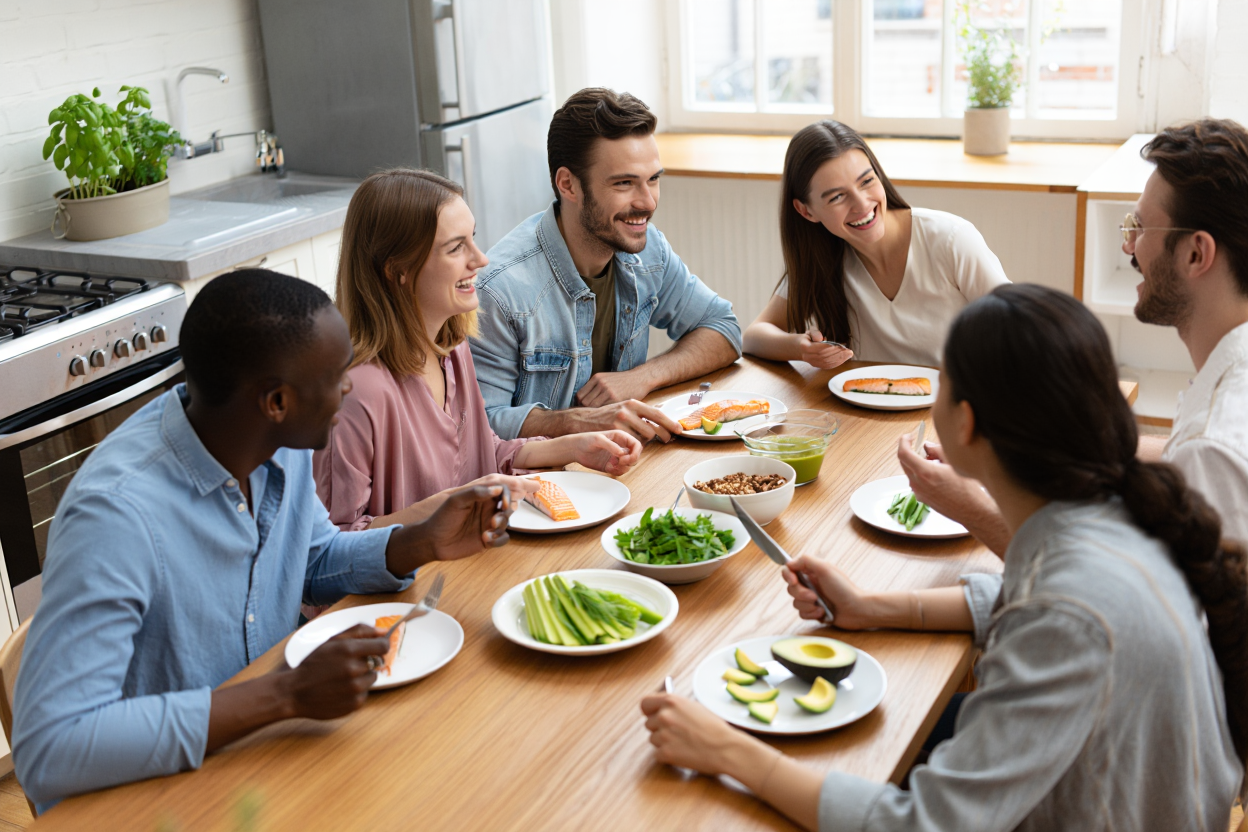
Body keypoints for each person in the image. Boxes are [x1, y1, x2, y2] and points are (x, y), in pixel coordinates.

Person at [642, 284, 1246, 831]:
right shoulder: (1105, 511)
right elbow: (1029, 600)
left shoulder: (1068, 609)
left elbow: (924, 824)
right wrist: (874, 606)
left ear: (966, 422)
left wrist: (727, 752)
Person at [12, 271, 514, 813]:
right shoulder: (116, 517)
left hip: (273, 761)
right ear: (277, 400)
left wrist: (416, 542)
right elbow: (50, 747)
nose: (349, 387)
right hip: (159, 804)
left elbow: (311, 558)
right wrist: (286, 694)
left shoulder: (275, 438)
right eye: (337, 376)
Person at [899, 118, 1248, 554]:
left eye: (1140, 228)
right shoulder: (1226, 385)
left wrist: (972, 506)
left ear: (1197, 253)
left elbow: (1125, 608)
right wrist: (1009, 455)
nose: (1129, 246)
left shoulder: (1214, 446)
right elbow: (1178, 453)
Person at [314, 169, 643, 532]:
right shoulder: (357, 391)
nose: (480, 259)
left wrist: (571, 447)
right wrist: (454, 504)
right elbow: (334, 547)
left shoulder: (452, 349)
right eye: (456, 248)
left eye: (472, 239)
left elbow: (483, 457)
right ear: (398, 270)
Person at [470, 88, 742, 442]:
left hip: (622, 466)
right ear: (568, 184)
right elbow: (480, 427)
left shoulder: (647, 250)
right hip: (541, 484)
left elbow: (723, 328)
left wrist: (643, 377)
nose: (647, 202)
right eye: (625, 183)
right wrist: (578, 421)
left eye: (653, 179)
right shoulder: (499, 291)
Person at [742, 120, 1010, 370]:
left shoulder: (950, 239)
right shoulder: (823, 260)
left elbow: (1018, 327)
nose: (861, 205)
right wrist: (801, 348)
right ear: (806, 211)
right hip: (867, 414)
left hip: (951, 410)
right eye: (837, 197)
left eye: (867, 181)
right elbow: (753, 336)